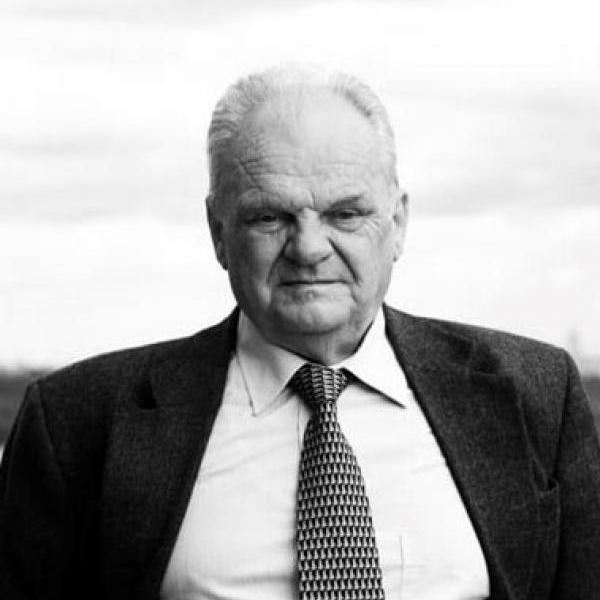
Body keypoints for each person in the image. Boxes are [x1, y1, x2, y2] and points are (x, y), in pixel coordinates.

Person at [1, 66, 599, 600]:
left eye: (345, 214)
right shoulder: (78, 423)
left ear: (398, 223)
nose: (310, 248)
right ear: (217, 231)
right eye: (270, 217)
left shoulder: (537, 396)